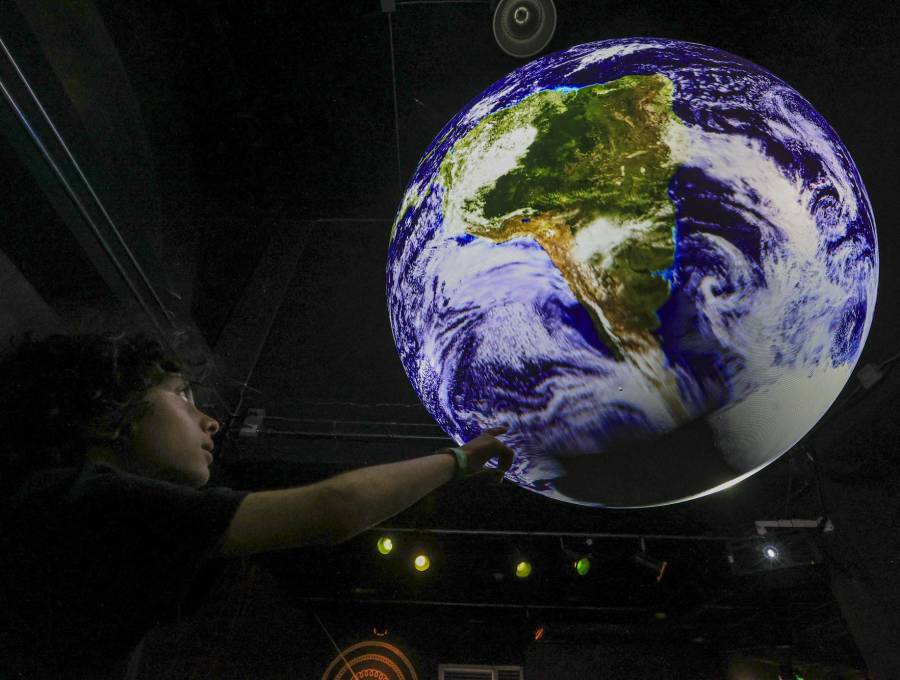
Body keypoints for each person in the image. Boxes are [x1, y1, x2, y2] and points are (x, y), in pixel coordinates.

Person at [0, 329, 514, 679]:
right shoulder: (90, 503)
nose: (210, 421)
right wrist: (461, 460)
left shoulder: (66, 509)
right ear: (106, 412)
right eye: (183, 396)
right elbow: (336, 508)